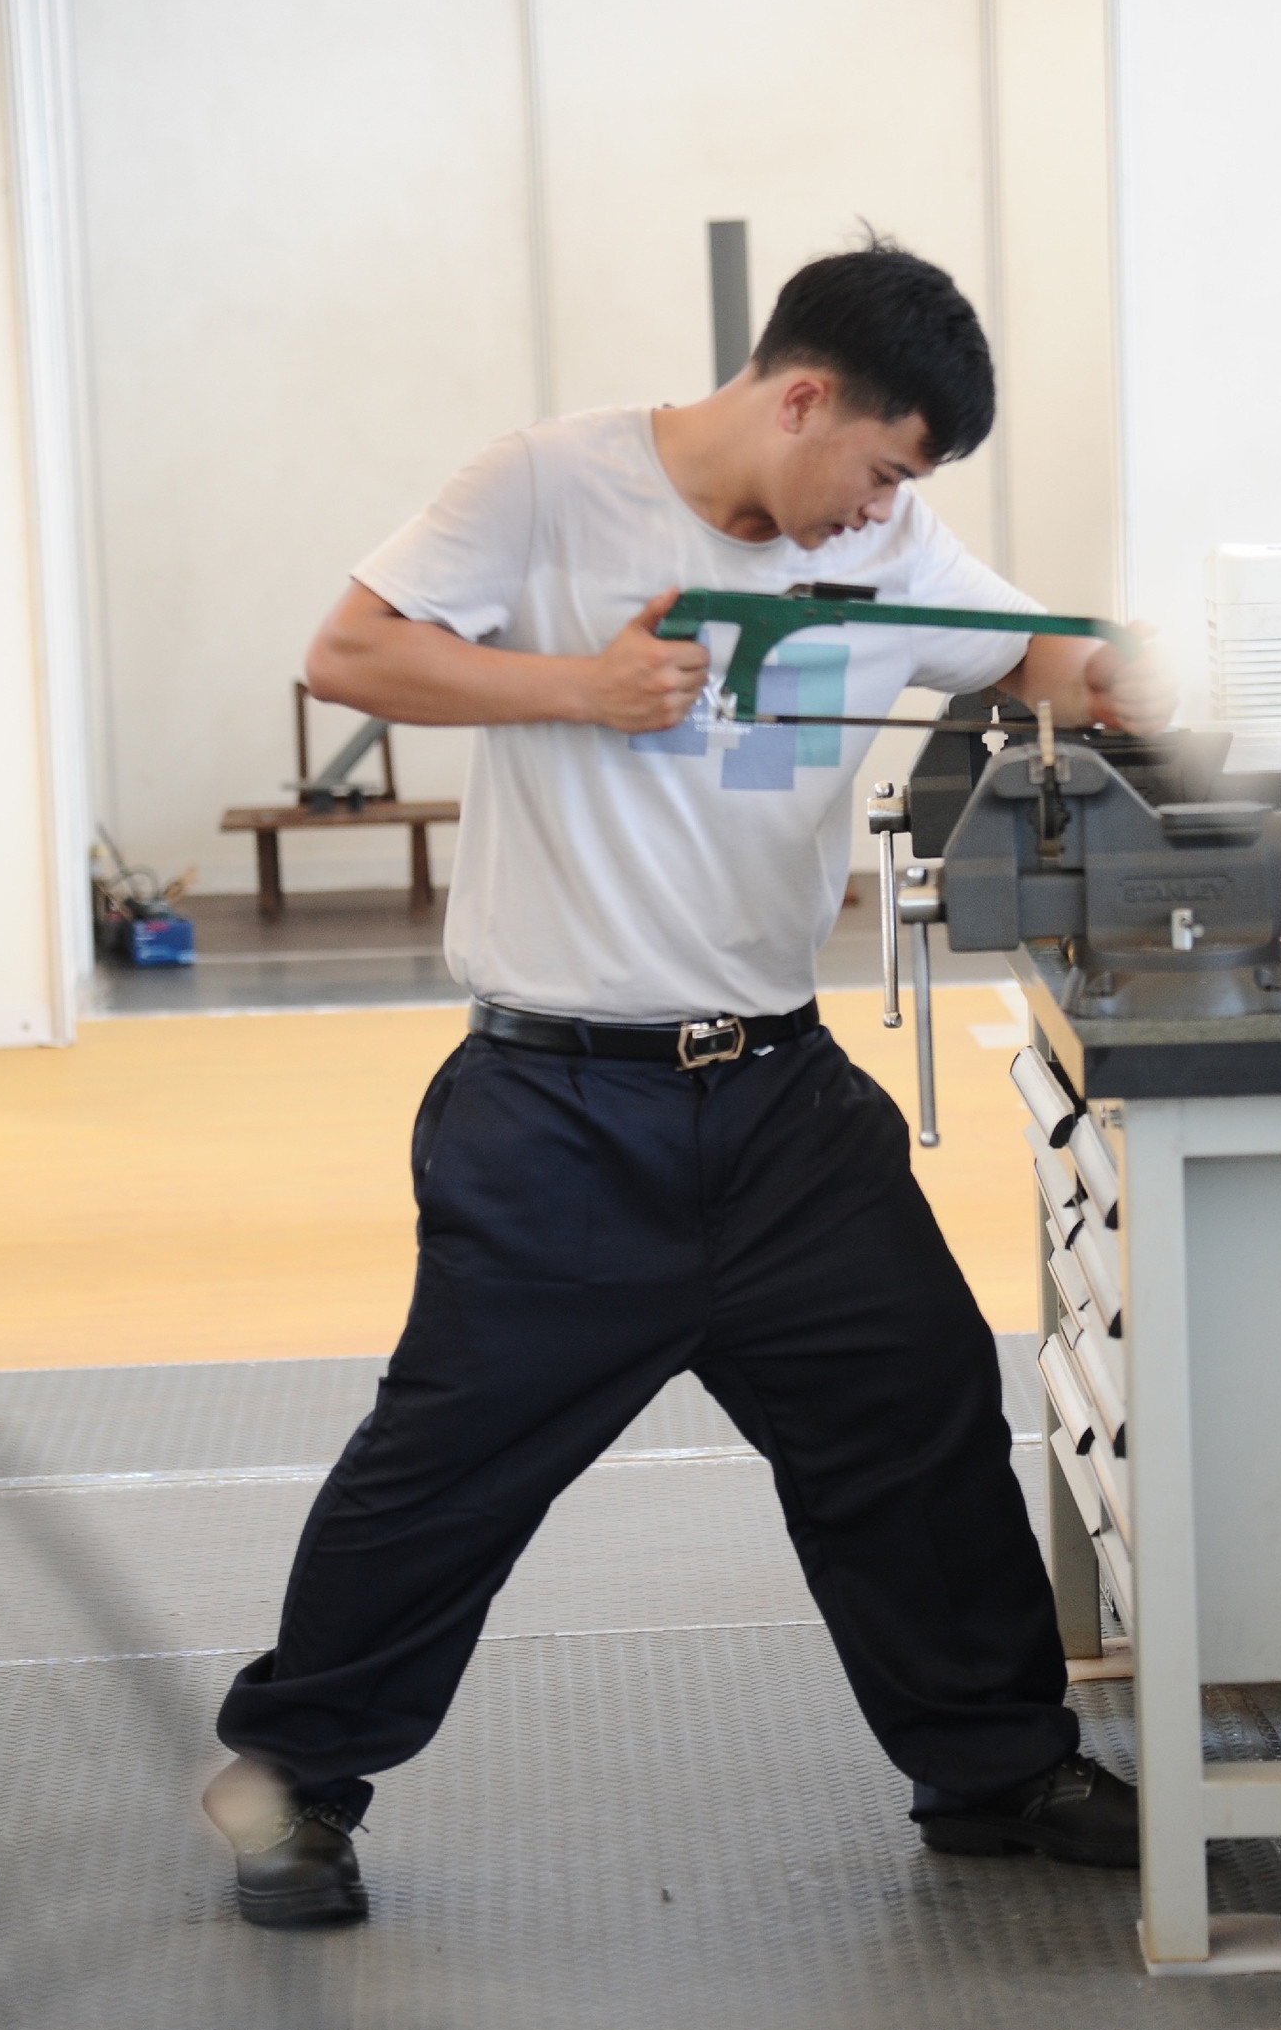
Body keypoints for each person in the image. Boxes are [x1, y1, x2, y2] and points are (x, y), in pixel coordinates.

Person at [204, 237, 1174, 1927]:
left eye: (909, 489)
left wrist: (1121, 673)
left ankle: (994, 1766)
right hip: (561, 1113)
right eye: (881, 468)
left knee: (920, 1410)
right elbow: (349, 653)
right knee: (448, 1467)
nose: (884, 510)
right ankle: (289, 1789)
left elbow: (1028, 654)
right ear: (801, 399)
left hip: (783, 1102)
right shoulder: (545, 486)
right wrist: (576, 687)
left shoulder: (887, 546)